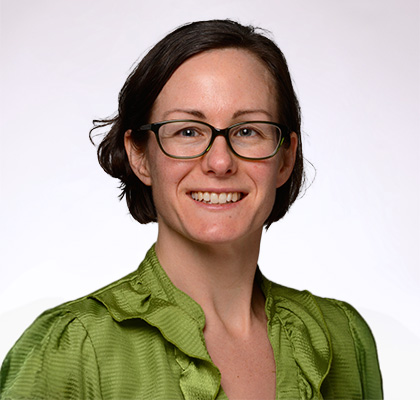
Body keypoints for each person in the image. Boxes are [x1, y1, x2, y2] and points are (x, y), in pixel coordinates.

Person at [0, 20, 382, 400]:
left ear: (285, 157)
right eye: (187, 131)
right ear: (140, 155)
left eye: (248, 131)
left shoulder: (344, 339)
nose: (219, 162)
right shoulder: (71, 348)